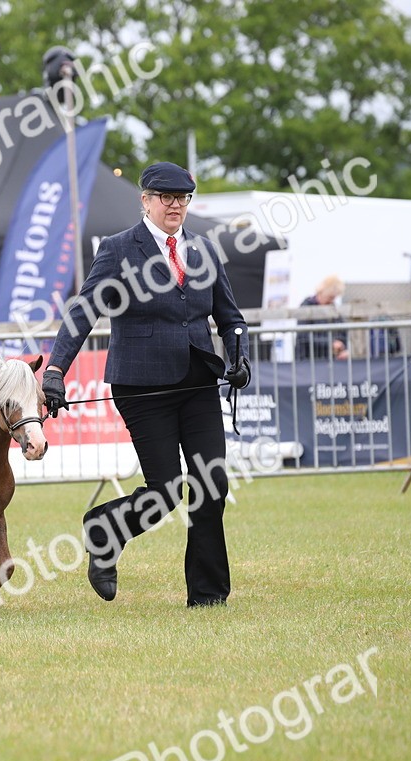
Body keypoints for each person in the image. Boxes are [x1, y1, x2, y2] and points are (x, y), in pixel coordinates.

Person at [42, 163, 251, 607]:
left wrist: (239, 359)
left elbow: (230, 319)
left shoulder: (204, 251)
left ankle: (209, 595)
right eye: (166, 197)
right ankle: (105, 530)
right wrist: (56, 371)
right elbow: (84, 312)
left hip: (198, 380)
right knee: (166, 490)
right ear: (146, 200)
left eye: (183, 198)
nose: (176, 205)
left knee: (212, 483)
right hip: (142, 385)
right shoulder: (118, 249)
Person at [294, 275, 349, 361]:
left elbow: (343, 331)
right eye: (330, 297)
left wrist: (343, 347)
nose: (332, 301)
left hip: (328, 359)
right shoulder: (306, 306)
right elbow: (304, 335)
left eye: (334, 298)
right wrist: (330, 343)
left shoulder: (334, 309)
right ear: (322, 292)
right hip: (307, 359)